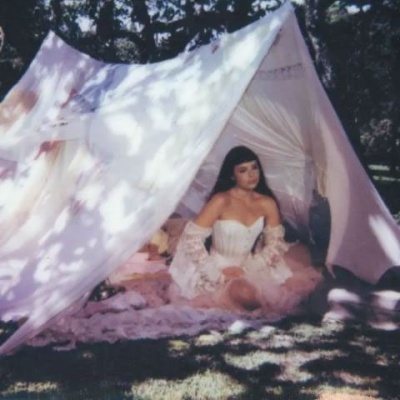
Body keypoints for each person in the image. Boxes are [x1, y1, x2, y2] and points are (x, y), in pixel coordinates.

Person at [169, 145, 322, 316]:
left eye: (254, 168)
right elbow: (191, 239)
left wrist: (249, 268)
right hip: (218, 269)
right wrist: (216, 273)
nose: (251, 175)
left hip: (251, 267)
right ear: (232, 175)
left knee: (262, 296)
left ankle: (253, 306)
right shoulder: (221, 201)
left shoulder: (267, 203)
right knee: (244, 295)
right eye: (243, 170)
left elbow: (275, 246)